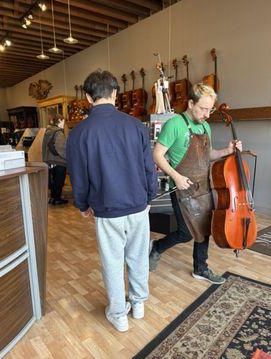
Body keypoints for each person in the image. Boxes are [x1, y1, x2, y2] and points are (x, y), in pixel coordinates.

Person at [66, 70, 157, 332]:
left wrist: (82, 205)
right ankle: (138, 304)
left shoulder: (79, 133)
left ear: (87, 97)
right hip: (138, 205)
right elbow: (148, 166)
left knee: (112, 261)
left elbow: (78, 176)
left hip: (106, 209)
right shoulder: (136, 126)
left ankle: (118, 314)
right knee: (138, 257)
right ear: (115, 94)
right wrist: (150, 195)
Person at [149, 83, 242, 284]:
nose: (208, 114)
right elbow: (157, 155)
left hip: (203, 186)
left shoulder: (205, 126)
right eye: (203, 108)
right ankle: (156, 247)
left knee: (205, 228)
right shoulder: (174, 124)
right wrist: (176, 176)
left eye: (210, 109)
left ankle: (201, 268)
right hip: (182, 187)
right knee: (185, 232)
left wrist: (226, 151)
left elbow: (207, 155)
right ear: (191, 103)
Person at [42, 113, 68, 205]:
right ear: (60, 121)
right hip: (58, 160)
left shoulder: (48, 131)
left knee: (53, 180)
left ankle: (53, 197)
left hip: (49, 160)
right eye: (63, 121)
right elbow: (61, 148)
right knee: (59, 180)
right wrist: (68, 158)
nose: (64, 123)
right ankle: (57, 199)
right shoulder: (58, 132)